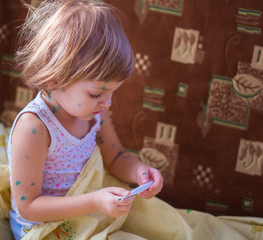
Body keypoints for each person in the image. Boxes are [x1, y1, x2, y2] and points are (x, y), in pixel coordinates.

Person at [8, 0, 163, 239]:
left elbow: (116, 157)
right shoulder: (35, 128)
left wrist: (140, 172)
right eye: (96, 93)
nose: (108, 103)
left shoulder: (95, 112)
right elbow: (28, 207)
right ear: (55, 78)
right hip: (43, 227)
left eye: (113, 92)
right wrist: (94, 202)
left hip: (88, 210)